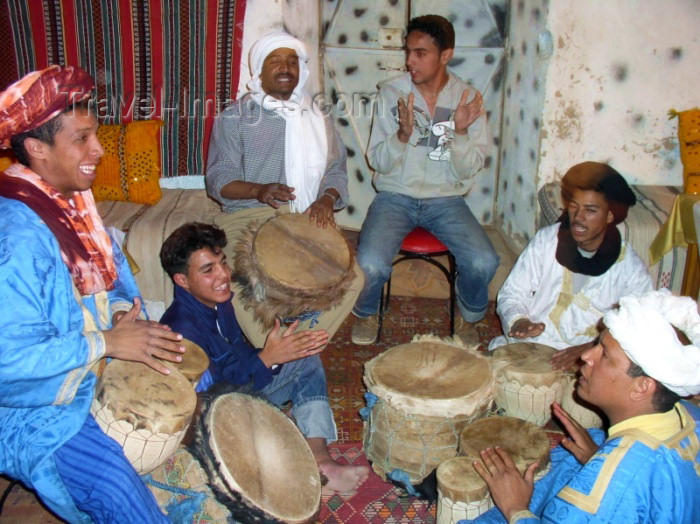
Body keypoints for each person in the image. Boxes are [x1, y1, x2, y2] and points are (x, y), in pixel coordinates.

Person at [0, 66, 185, 523]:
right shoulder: (17, 237)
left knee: (193, 374)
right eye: (82, 139)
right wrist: (107, 343)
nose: (98, 150)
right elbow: (9, 364)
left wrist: (122, 314)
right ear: (37, 149)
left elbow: (115, 280)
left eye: (95, 136)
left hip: (86, 365)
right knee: (116, 488)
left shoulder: (71, 203)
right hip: (35, 407)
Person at [159, 222, 369, 494]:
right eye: (208, 270)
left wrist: (276, 355)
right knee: (293, 368)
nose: (223, 274)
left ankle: (320, 459)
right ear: (182, 281)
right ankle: (294, 450)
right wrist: (267, 358)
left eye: (222, 262)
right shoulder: (182, 334)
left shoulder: (218, 302)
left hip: (237, 391)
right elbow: (215, 403)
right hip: (219, 420)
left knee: (304, 357)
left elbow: (236, 358)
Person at [467, 289, 700, 523]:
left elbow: (620, 487)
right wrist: (596, 456)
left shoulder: (616, 481)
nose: (587, 355)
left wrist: (516, 509)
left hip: (619, 485)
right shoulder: (691, 415)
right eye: (597, 344)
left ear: (642, 387)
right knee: (589, 443)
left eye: (605, 355)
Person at [206, 30, 362, 348]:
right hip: (247, 215)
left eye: (292, 61)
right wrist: (258, 190)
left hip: (304, 214)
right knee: (236, 286)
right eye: (275, 60)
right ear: (259, 71)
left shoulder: (319, 116)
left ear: (301, 70)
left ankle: (299, 342)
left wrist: (326, 200)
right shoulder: (235, 118)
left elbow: (336, 170)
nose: (285, 68)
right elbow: (219, 181)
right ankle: (279, 351)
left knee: (354, 278)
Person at [351, 14, 498, 346]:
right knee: (370, 263)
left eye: (420, 53)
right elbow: (377, 161)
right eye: (408, 52)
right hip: (395, 198)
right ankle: (367, 311)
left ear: (445, 55)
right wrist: (401, 136)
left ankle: (469, 314)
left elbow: (468, 169)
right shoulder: (392, 94)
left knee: (484, 260)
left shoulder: (468, 99)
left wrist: (459, 132)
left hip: (446, 200)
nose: (409, 61)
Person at [490, 162, 653, 371]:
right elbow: (513, 292)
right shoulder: (548, 240)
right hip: (534, 345)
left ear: (610, 216)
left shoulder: (629, 268)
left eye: (590, 210)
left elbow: (640, 326)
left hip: (591, 360)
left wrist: (593, 347)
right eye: (574, 207)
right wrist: (519, 320)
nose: (578, 218)